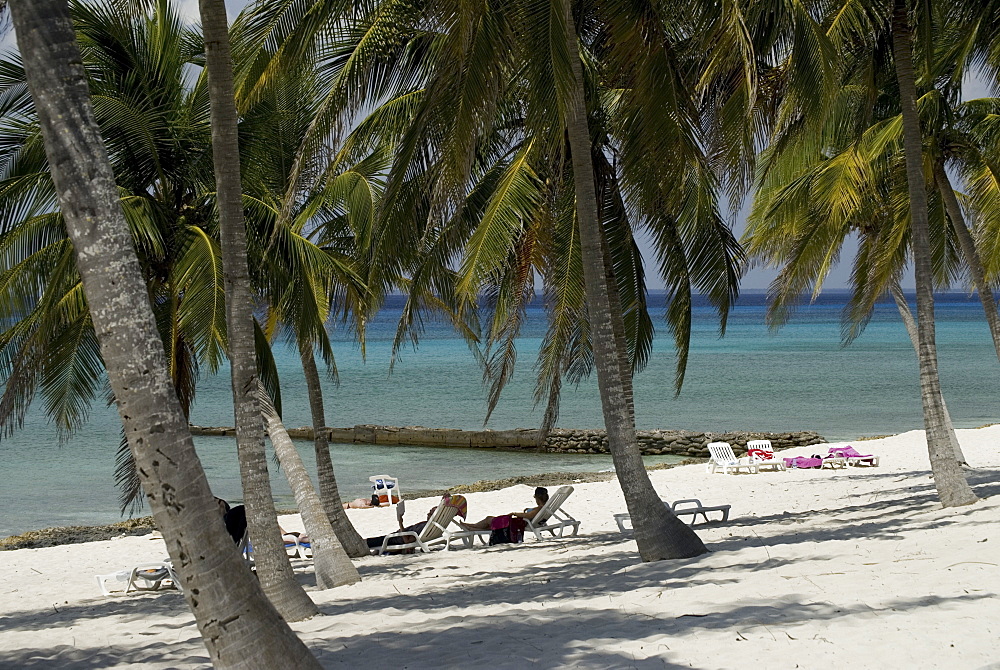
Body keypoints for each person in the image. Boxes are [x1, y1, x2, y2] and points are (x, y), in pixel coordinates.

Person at [459, 487, 549, 531]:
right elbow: (531, 514)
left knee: (488, 519)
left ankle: (471, 527)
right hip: (518, 523)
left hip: (516, 524)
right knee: (490, 523)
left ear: (538, 498)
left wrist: (514, 513)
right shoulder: (544, 508)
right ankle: (472, 527)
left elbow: (527, 515)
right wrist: (530, 508)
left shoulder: (538, 509)